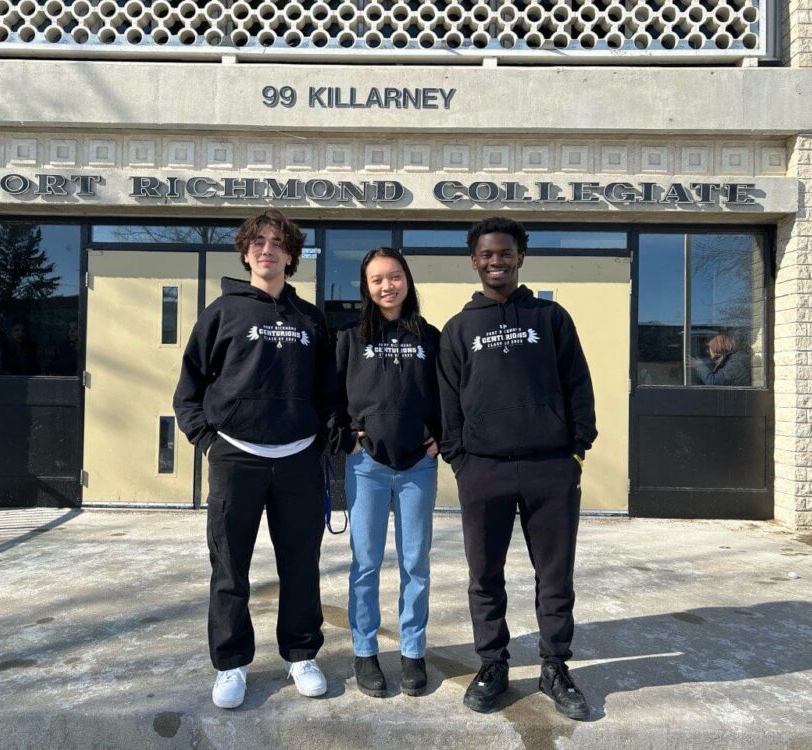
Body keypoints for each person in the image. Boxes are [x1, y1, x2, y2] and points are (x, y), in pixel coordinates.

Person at [437, 217, 597, 718]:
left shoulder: (551, 318)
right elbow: (448, 402)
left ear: (520, 257)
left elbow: (578, 384)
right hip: (484, 471)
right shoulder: (460, 328)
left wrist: (576, 449)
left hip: (551, 469)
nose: (496, 261)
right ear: (474, 261)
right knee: (484, 575)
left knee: (554, 575)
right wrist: (459, 457)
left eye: (505, 252)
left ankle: (555, 666)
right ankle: (493, 665)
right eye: (486, 254)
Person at [173, 209, 331, 710]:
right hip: (236, 458)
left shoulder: (311, 319)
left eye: (278, 243)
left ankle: (301, 654)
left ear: (291, 255)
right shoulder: (221, 312)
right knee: (230, 570)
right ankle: (231, 664)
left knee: (302, 566)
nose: (267, 249)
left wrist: (321, 434)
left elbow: (328, 390)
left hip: (298, 460)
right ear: (245, 253)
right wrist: (208, 438)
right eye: (258, 241)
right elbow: (189, 388)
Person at [329, 247, 441, 699]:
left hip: (418, 466)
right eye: (377, 280)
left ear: (407, 280)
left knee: (416, 564)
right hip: (367, 466)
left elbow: (449, 393)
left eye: (394, 277)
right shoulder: (350, 339)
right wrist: (347, 438)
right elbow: (332, 396)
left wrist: (441, 437)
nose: (387, 286)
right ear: (366, 287)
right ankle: (364, 652)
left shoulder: (429, 337)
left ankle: (413, 652)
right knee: (366, 564)